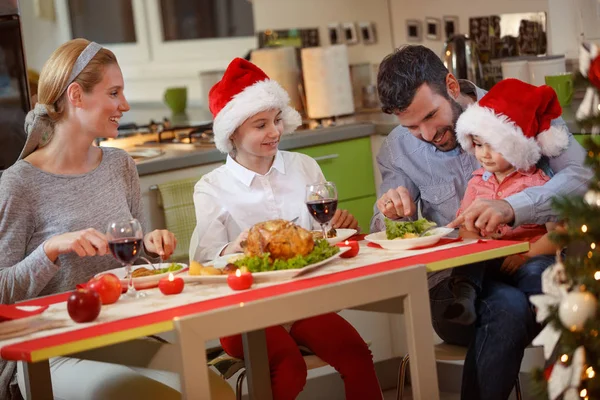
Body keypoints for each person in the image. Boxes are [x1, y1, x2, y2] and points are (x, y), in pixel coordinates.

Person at [0, 39, 233, 400]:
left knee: (215, 391)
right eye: (114, 92)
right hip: (50, 350)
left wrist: (151, 250)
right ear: (76, 95)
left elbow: (130, 265)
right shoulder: (20, 183)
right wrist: (49, 250)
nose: (123, 105)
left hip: (118, 332)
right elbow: (2, 294)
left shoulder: (119, 165)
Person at [372, 45, 592, 400]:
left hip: (531, 276)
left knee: (509, 306)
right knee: (508, 307)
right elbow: (381, 226)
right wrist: (392, 213)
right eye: (412, 126)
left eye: (431, 117)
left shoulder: (520, 110)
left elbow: (583, 180)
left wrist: (512, 206)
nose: (427, 135)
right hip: (454, 290)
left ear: (451, 86)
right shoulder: (398, 149)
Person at [192, 58, 380, 400]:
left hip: (302, 303)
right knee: (289, 368)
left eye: (277, 120)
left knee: (356, 356)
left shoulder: (304, 167)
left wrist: (339, 228)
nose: (275, 131)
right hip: (243, 313)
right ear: (233, 131)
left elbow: (322, 239)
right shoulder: (211, 187)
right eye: (260, 125)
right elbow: (205, 260)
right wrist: (238, 245)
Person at [443, 78, 567, 325]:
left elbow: (560, 233)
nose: (484, 154)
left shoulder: (538, 182)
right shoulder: (476, 182)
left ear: (517, 146)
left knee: (538, 272)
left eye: (495, 146)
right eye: (478, 145)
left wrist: (525, 256)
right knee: (470, 263)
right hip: (491, 260)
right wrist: (479, 242)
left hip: (528, 258)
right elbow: (465, 228)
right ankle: (464, 298)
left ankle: (539, 317)